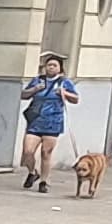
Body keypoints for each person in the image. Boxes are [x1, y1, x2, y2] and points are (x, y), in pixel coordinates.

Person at [19, 54, 83, 188]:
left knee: (46, 153)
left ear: (60, 69)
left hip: (53, 121)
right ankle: (32, 172)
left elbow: (76, 99)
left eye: (55, 65)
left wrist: (64, 93)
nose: (51, 68)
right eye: (49, 65)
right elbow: (23, 95)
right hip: (35, 121)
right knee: (28, 151)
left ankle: (44, 181)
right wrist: (34, 89)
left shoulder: (64, 82)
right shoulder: (37, 81)